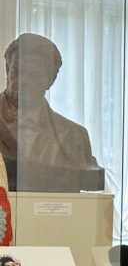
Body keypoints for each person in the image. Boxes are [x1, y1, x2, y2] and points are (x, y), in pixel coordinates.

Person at [0, 33, 102, 191]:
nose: (23, 81)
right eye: (17, 72)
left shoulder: (74, 136)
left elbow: (90, 181)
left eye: (34, 75)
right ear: (7, 69)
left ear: (50, 80)